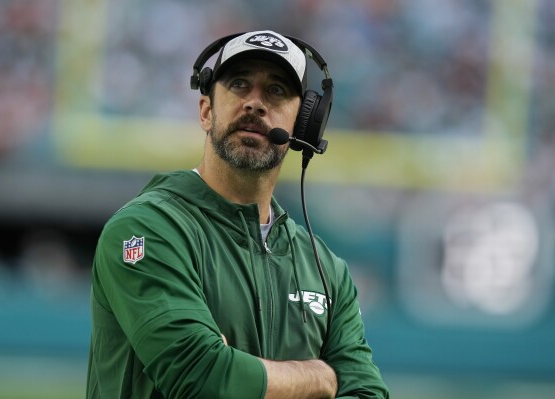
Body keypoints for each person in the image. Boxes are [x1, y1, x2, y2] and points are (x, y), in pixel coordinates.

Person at [86, 30, 389, 399]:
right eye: (240, 84)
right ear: (206, 111)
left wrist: (243, 373)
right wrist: (320, 377)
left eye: (276, 90)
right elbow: (201, 378)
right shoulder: (146, 229)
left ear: (304, 125)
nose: (255, 104)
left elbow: (367, 393)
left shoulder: (325, 268)